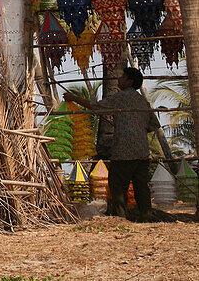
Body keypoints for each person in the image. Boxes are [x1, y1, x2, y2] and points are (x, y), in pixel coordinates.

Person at [64, 67, 160, 221]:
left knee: (118, 186)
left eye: (123, 77)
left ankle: (121, 217)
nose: (119, 79)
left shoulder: (120, 97)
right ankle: (145, 217)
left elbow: (96, 106)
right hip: (142, 151)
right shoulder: (142, 100)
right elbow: (153, 125)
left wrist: (73, 98)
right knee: (141, 187)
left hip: (124, 151)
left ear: (130, 81)